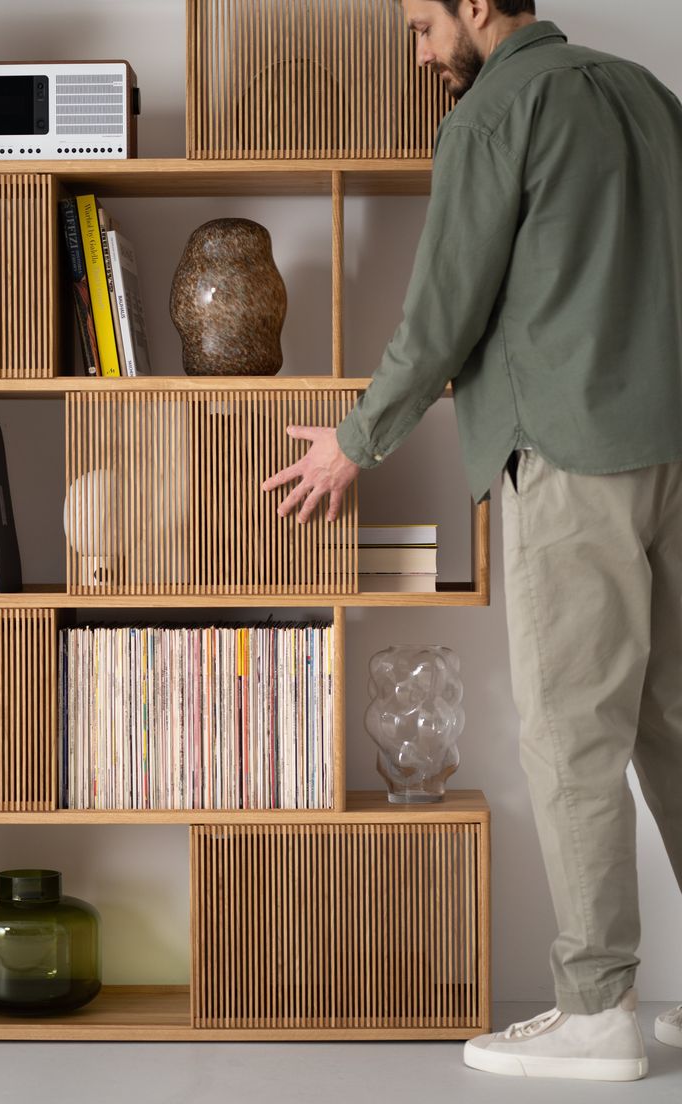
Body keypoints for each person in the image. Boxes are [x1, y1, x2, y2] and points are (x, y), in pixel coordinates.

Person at [261, 0, 682, 1082]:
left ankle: (596, 1010)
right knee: (673, 723)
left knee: (570, 728)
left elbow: (443, 308)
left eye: (420, 27)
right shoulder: (648, 98)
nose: (418, 54)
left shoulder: (498, 110)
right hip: (675, 449)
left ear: (478, 9)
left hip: (570, 452)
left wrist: (354, 443)